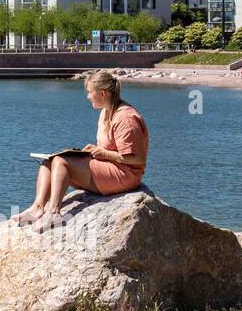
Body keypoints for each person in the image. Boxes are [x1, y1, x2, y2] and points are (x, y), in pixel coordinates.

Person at [16, 70, 148, 231]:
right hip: (110, 166)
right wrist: (95, 151)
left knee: (61, 162)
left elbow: (137, 159)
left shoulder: (126, 118)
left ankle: (54, 213)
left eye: (89, 92)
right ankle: (37, 208)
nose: (87, 96)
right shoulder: (106, 112)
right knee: (49, 162)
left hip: (126, 175)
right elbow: (109, 147)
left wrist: (104, 153)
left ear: (102, 93)